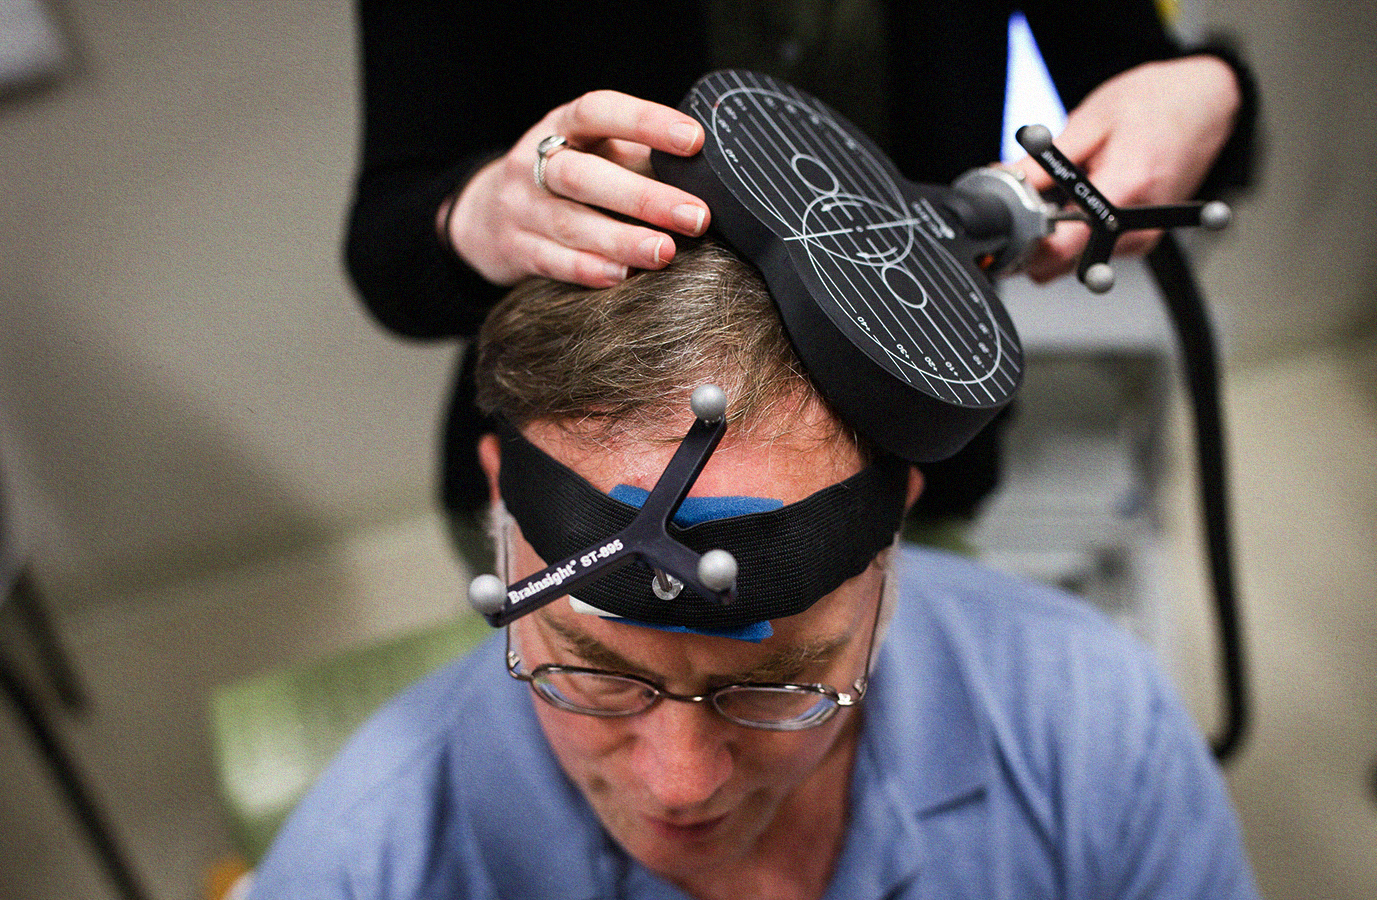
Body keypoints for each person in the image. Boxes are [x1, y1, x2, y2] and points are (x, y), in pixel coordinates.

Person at [248, 239, 1259, 899]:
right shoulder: (359, 868)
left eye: (774, 684)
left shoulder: (1089, 725)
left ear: (894, 531)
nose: (680, 785)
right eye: (595, 673)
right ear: (499, 515)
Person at [342, 1, 1258, 566]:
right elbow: (385, 244)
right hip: (594, 490)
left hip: (907, 462)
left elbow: (1148, 87)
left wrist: (1205, 92)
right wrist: (473, 215)